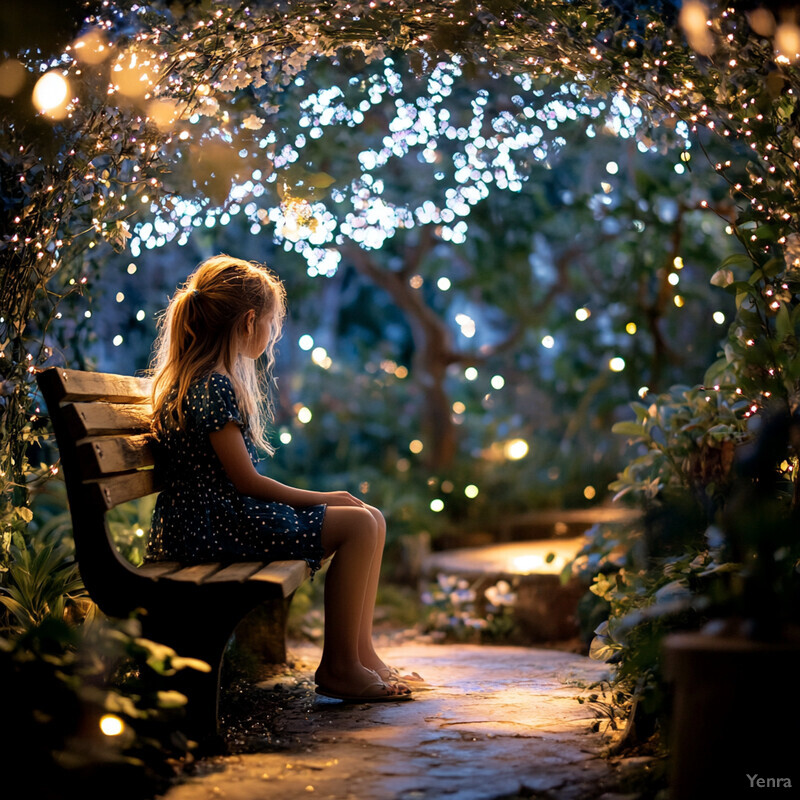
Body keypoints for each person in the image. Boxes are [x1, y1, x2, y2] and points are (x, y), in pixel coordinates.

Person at [147, 254, 412, 702]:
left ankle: (362, 655)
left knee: (371, 518)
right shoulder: (212, 385)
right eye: (272, 324)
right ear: (249, 321)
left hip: (209, 522)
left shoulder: (203, 380)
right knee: (360, 522)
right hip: (210, 530)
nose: (272, 335)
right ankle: (341, 667)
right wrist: (324, 496)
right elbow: (246, 482)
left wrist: (327, 500)